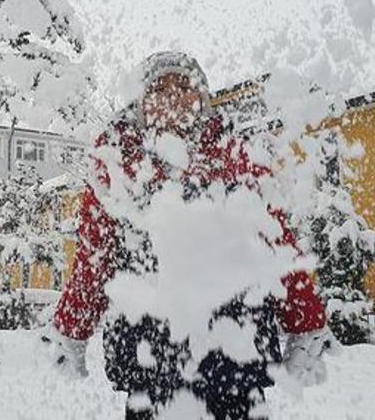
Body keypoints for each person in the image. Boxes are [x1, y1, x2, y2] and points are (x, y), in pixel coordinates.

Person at [42, 52, 338, 419]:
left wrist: (306, 323)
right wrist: (72, 330)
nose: (172, 96)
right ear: (140, 100)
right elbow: (94, 257)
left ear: (201, 97)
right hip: (150, 357)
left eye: (183, 86)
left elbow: (275, 243)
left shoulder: (235, 155)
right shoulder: (117, 164)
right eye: (159, 87)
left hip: (235, 354)